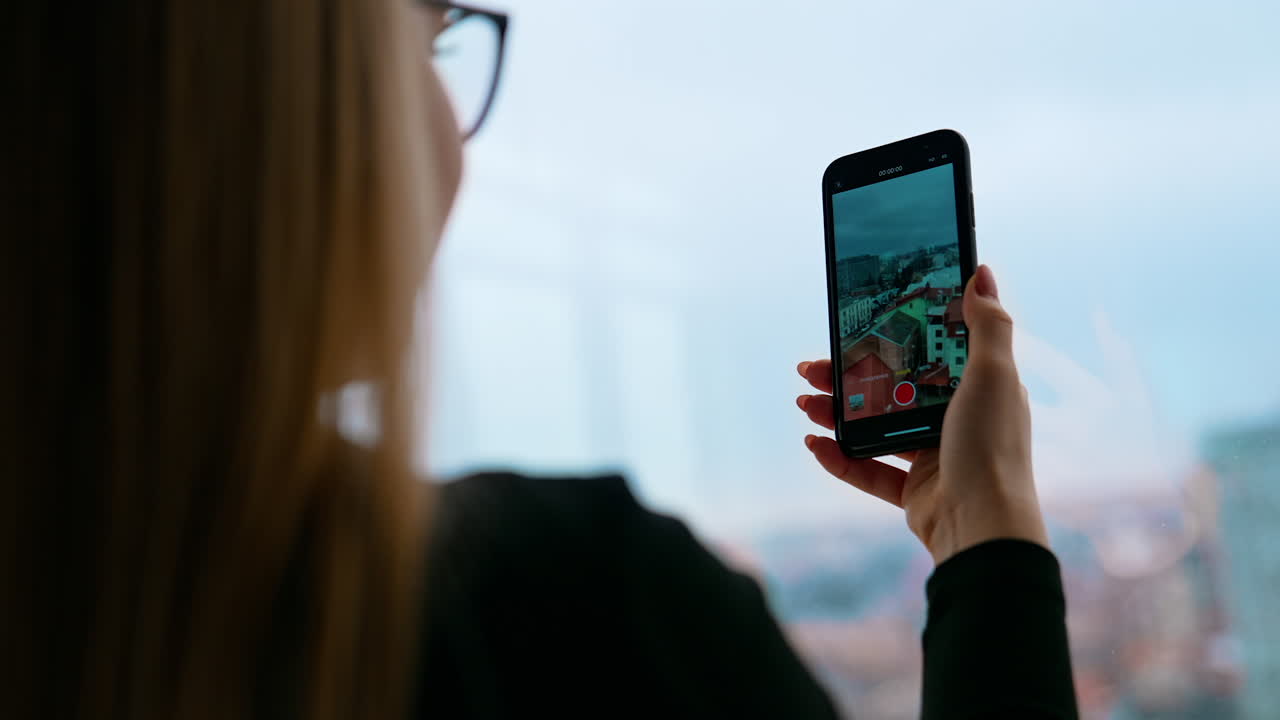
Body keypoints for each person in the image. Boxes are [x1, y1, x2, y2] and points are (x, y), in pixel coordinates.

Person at [4, 1, 1077, 718]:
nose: (452, 131)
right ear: (273, 93)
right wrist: (986, 533)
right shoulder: (578, 613)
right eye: (428, 39)